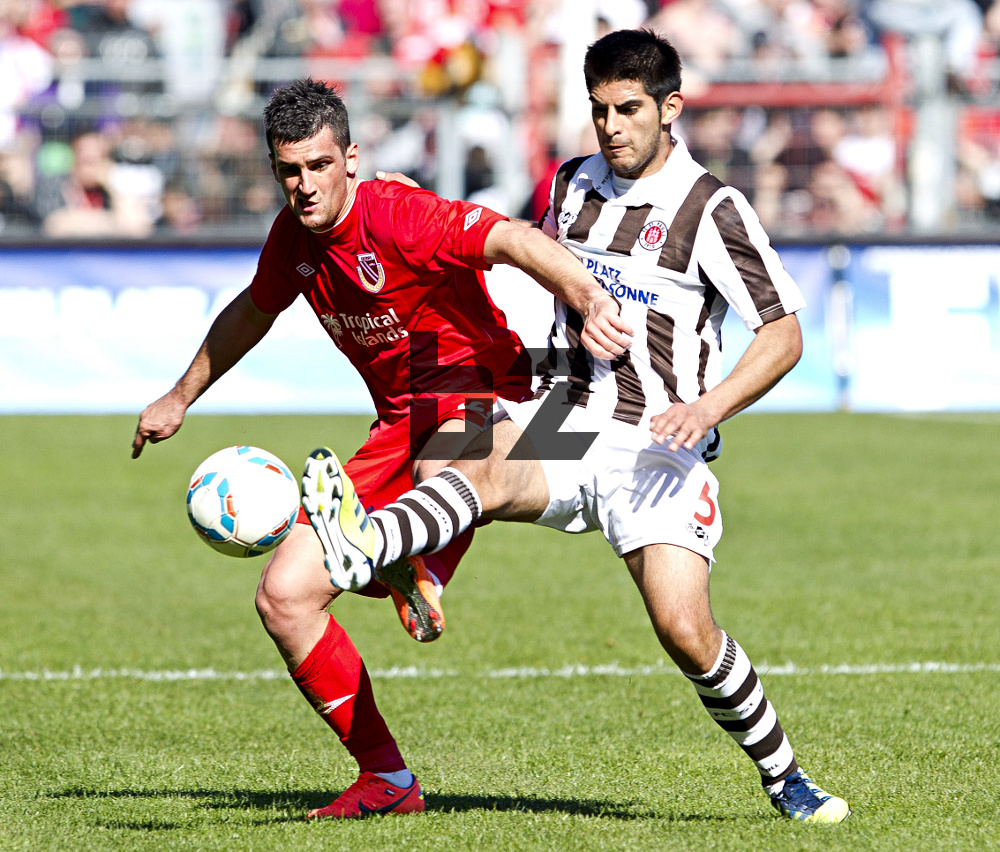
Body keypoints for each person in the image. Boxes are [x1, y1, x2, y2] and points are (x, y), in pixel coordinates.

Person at [302, 29, 852, 823]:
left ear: (671, 109)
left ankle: (785, 778)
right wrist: (403, 196)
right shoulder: (571, 184)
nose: (612, 126)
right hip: (566, 406)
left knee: (684, 628)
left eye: (628, 109)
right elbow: (516, 249)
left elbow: (784, 334)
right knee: (464, 449)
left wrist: (706, 408)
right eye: (599, 111)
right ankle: (376, 547)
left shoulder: (712, 208)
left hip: (658, 441)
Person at [131, 78, 624, 820]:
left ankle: (420, 566)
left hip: (492, 389)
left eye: (320, 166)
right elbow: (251, 312)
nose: (305, 186)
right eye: (289, 171)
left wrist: (589, 300)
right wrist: (179, 395)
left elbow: (515, 239)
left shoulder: (402, 215)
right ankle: (388, 780)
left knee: (445, 467)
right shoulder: (294, 241)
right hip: (399, 421)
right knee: (284, 597)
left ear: (351, 158)